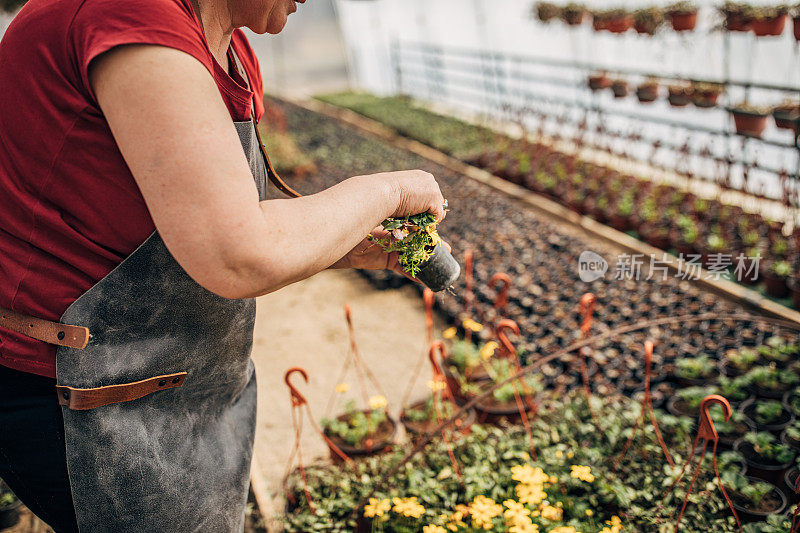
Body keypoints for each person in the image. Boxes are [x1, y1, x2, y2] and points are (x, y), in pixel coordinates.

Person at [0, 0, 446, 530]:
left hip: (179, 380)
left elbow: (209, 217)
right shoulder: (129, 14)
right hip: (88, 399)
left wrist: (347, 247)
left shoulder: (228, 46)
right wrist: (388, 190)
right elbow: (236, 254)